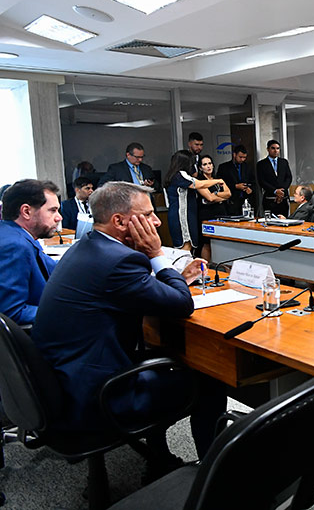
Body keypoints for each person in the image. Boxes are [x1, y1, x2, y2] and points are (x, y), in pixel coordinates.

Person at [31, 181, 226, 474]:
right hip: (95, 396)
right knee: (210, 380)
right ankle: (212, 480)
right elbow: (181, 305)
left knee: (159, 361)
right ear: (120, 221)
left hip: (62, 383)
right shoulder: (121, 261)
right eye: (148, 215)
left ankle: (158, 458)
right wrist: (157, 255)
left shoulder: (88, 247)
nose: (157, 221)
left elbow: (130, 290)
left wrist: (173, 279)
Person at [0, 179, 61, 325]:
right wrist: (65, 311)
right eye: (52, 210)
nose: (59, 217)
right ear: (26, 211)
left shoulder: (15, 235)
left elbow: (51, 266)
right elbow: (11, 312)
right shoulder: (15, 246)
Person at [165, 150, 225, 251]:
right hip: (182, 215)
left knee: (188, 245)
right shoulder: (180, 174)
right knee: (186, 245)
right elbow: (199, 184)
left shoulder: (174, 174)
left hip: (183, 213)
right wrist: (218, 181)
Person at [196, 154, 231, 261]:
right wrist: (220, 196)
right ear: (200, 168)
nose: (208, 166)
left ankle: (225, 267)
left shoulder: (217, 178)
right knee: (207, 243)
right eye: (205, 164)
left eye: (210, 163)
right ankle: (206, 268)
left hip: (221, 212)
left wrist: (216, 195)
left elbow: (228, 193)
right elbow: (210, 198)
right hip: (206, 214)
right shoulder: (199, 180)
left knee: (223, 243)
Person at [256, 139, 292, 216]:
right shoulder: (261, 164)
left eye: (278, 148)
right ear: (268, 149)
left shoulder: (283, 162)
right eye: (273, 148)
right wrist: (275, 191)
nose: (276, 151)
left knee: (284, 221)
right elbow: (261, 181)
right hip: (270, 198)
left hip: (283, 198)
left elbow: (289, 177)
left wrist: (282, 191)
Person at [216, 144, 254, 216]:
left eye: (244, 157)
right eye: (240, 157)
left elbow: (253, 181)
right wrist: (235, 186)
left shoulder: (247, 167)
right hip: (231, 201)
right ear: (234, 155)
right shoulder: (224, 167)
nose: (242, 159)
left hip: (245, 201)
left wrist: (250, 188)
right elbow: (220, 184)